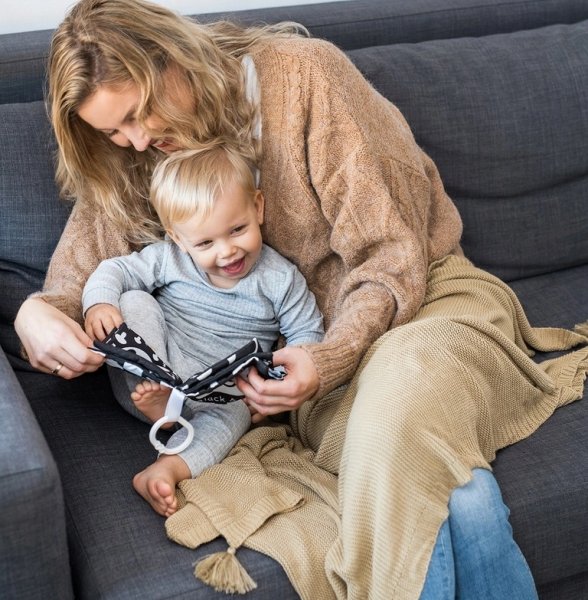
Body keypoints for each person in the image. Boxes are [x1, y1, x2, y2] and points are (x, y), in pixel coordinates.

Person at [13, 0, 588, 597]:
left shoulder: (305, 77)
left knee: (400, 411)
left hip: (423, 308)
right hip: (319, 371)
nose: (135, 140)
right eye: (112, 131)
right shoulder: (138, 155)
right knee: (456, 494)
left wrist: (329, 356)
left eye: (138, 113)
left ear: (175, 59)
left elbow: (392, 257)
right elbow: (78, 278)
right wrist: (35, 313)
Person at [81, 143, 324, 516]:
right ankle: (163, 403)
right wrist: (99, 303)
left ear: (257, 207)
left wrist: (274, 388)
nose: (227, 252)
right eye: (206, 243)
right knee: (133, 300)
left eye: (237, 229)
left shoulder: (280, 279)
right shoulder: (170, 258)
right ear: (178, 238)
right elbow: (116, 269)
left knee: (237, 415)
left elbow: (307, 336)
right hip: (149, 379)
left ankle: (168, 467)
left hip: (216, 394)